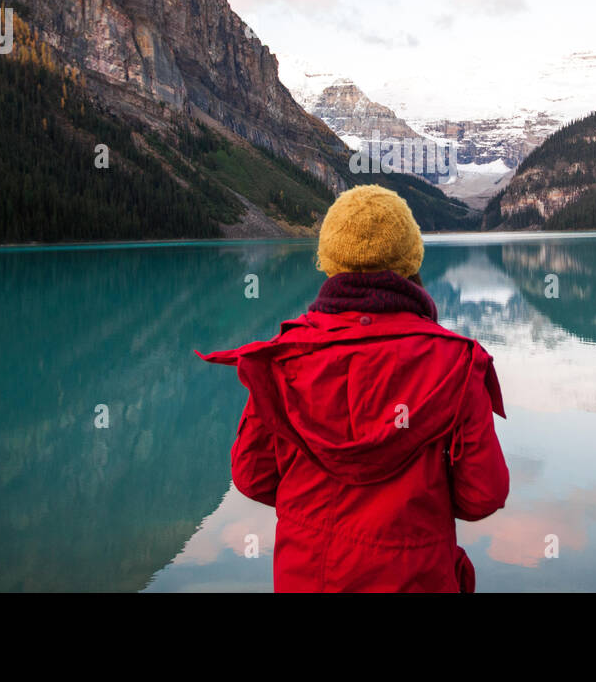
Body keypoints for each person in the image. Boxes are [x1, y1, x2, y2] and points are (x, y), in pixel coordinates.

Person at [197, 184, 509, 592]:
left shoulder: (282, 358)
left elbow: (253, 477)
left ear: (329, 260)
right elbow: (482, 495)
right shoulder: (457, 363)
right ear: (410, 258)